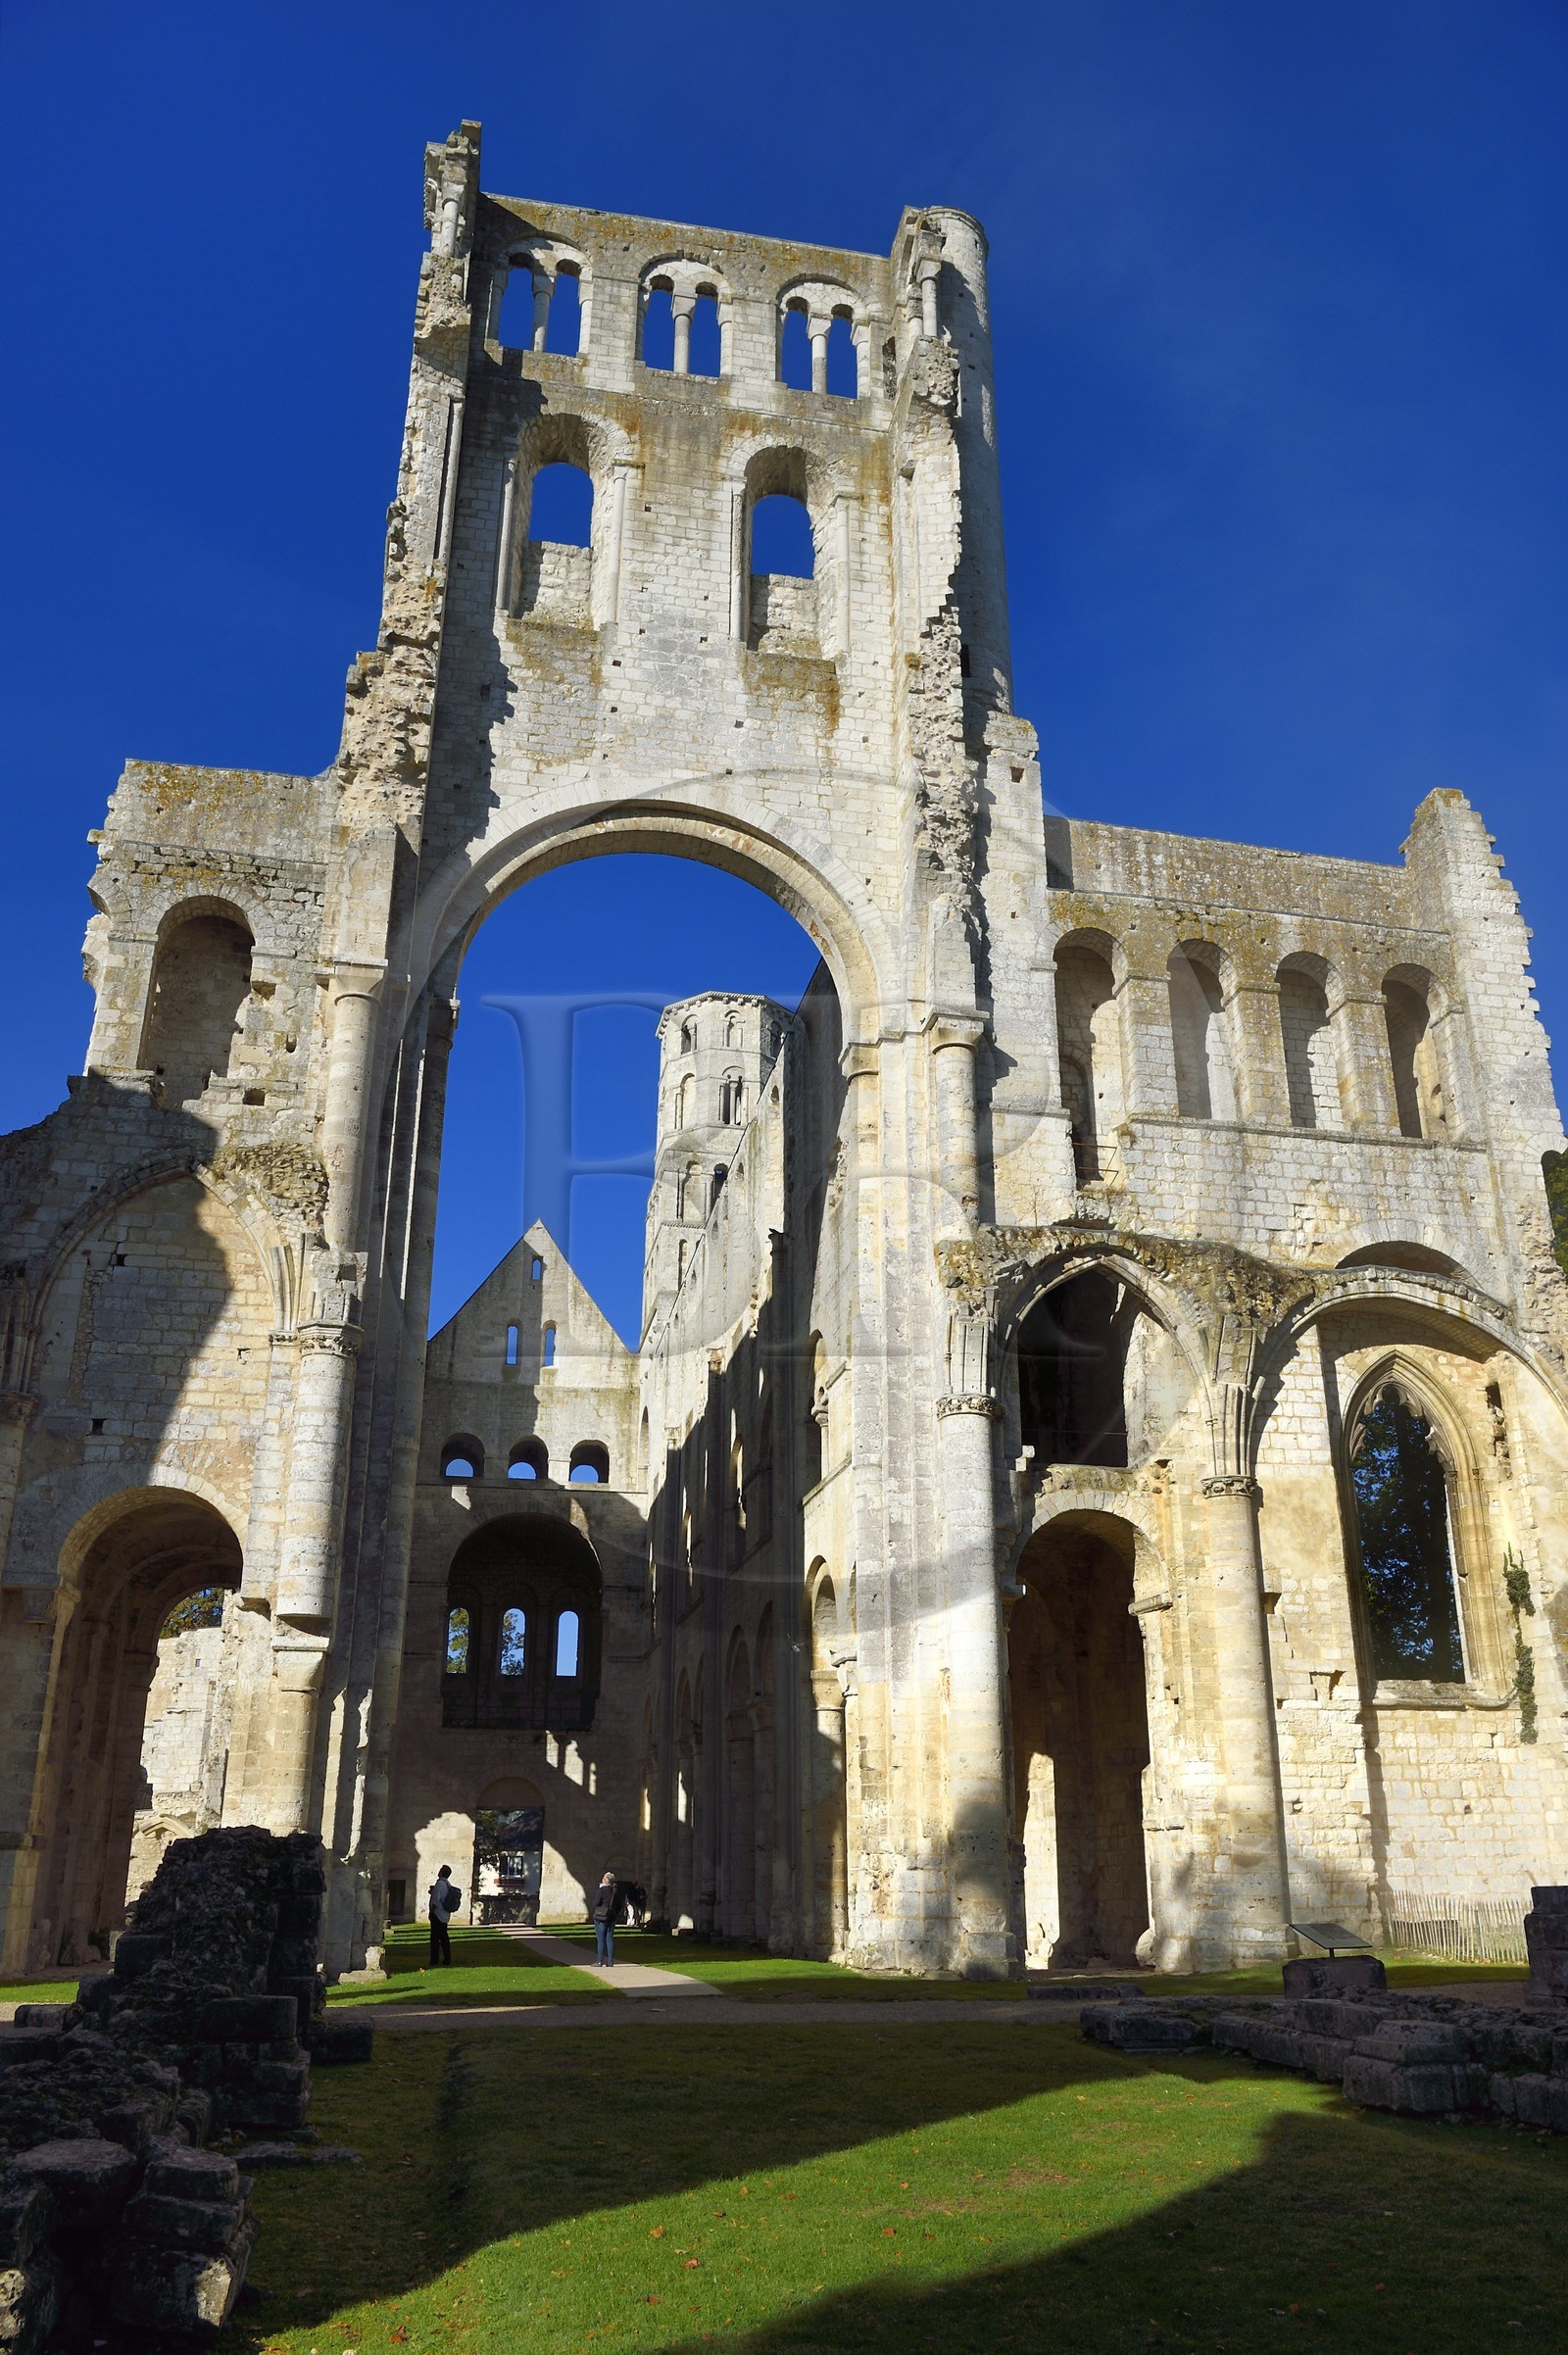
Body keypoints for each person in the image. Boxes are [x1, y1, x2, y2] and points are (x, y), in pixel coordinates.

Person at [427, 1864, 462, 1966]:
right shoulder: (447, 1884)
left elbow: (435, 1901)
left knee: (435, 1939)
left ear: (441, 1872)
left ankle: (434, 1960)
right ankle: (447, 1958)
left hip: (437, 1914)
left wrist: (431, 1912)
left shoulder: (440, 1884)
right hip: (445, 1915)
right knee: (444, 1938)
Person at [591, 1870, 619, 1966]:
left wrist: (595, 1911)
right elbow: (619, 1905)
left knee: (600, 1939)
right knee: (609, 1938)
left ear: (605, 1880)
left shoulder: (602, 1890)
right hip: (612, 1917)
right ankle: (610, 1961)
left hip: (601, 1917)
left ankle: (599, 1961)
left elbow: (595, 1903)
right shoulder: (615, 1891)